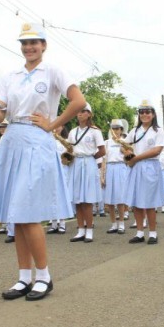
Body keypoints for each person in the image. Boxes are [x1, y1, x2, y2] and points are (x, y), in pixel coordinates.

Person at [0, 22, 86, 301]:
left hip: (38, 143)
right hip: (12, 141)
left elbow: (78, 101)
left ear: (44, 45)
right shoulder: (10, 76)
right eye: (24, 43)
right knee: (16, 214)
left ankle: (44, 276)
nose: (29, 48)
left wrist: (53, 125)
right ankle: (24, 277)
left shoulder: (53, 71)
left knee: (28, 212)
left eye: (34, 42)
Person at [123, 99, 164, 244]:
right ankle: (140, 232)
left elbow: (157, 150)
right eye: (141, 112)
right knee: (136, 201)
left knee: (149, 201)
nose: (144, 114)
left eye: (147, 112)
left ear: (153, 114)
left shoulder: (158, 130)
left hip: (150, 166)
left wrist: (136, 158)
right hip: (136, 167)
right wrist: (127, 152)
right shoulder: (134, 131)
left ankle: (153, 233)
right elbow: (125, 145)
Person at [68, 103, 106, 243]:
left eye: (84, 111)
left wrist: (91, 158)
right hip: (76, 163)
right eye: (79, 111)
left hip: (88, 162)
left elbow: (102, 150)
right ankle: (80, 230)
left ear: (89, 114)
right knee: (77, 199)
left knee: (87, 199)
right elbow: (70, 148)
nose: (80, 113)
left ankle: (89, 230)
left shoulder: (95, 131)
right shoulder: (73, 132)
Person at [101, 119, 129, 234]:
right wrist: (102, 175)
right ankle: (113, 224)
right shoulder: (106, 143)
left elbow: (128, 155)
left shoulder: (124, 141)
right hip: (110, 168)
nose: (115, 131)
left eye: (118, 129)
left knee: (120, 198)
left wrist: (123, 146)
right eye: (113, 128)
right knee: (110, 199)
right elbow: (104, 159)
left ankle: (121, 223)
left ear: (121, 130)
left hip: (121, 167)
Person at [47, 124, 71, 235]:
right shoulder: (48, 139)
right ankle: (53, 224)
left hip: (63, 170)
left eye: (59, 126)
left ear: (62, 127)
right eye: (54, 126)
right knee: (51, 196)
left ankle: (62, 223)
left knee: (61, 196)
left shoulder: (66, 141)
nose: (56, 128)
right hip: (51, 171)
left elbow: (70, 155)